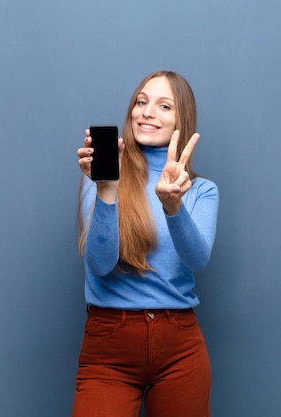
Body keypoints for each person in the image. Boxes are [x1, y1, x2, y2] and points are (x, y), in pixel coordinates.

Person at [72, 70, 219, 417]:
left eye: (163, 105)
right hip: (109, 346)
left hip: (179, 345)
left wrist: (173, 207)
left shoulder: (201, 190)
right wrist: (107, 191)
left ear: (181, 119)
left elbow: (197, 258)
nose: (147, 112)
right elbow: (99, 264)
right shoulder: (100, 176)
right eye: (141, 102)